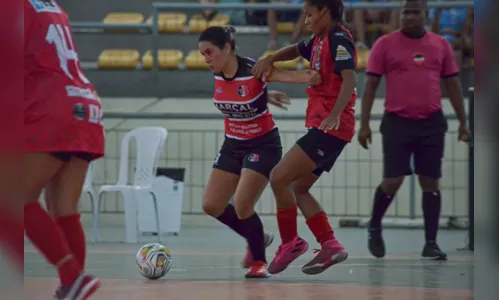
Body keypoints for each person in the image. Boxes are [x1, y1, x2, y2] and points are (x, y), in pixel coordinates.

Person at [198, 25, 321, 278]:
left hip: (262, 145)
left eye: (209, 52)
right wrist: (264, 97)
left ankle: (258, 261)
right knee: (211, 205)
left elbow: (304, 77)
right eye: (203, 54)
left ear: (228, 48)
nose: (206, 59)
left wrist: (327, 68)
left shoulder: (255, 70)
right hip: (232, 144)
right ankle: (256, 236)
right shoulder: (218, 72)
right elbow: (241, 94)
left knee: (243, 205)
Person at [358, 0, 471, 261]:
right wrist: (364, 125)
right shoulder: (384, 44)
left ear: (425, 15)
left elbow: (453, 85)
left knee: (430, 183)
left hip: (432, 122)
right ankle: (375, 225)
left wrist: (464, 122)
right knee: (392, 181)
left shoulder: (440, 45)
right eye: (405, 12)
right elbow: (370, 86)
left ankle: (430, 243)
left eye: (414, 13)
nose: (409, 17)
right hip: (397, 122)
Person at [252, 0, 357, 275]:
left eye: (309, 14)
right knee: (299, 188)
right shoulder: (319, 39)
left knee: (278, 177)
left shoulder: (338, 38)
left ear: (324, 11)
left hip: (331, 126)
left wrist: (335, 113)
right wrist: (271, 57)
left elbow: (349, 79)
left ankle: (291, 242)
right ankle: (330, 245)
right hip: (326, 127)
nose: (306, 20)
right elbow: (295, 49)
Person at [24, 0, 104, 299]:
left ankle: (72, 276)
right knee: (63, 208)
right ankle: (73, 289)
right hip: (85, 101)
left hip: (52, 104)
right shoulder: (51, 5)